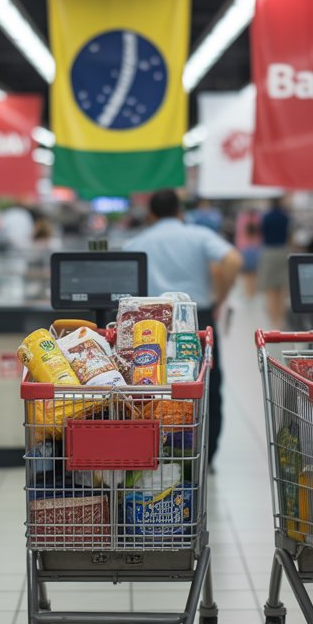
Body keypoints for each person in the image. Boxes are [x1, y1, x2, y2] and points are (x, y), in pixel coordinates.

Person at [124, 189, 242, 463]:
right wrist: (220, 297)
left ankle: (157, 453)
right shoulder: (199, 235)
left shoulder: (135, 243)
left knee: (151, 386)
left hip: (150, 321)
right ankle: (205, 455)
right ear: (180, 211)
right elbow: (233, 259)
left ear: (151, 214)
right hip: (196, 318)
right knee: (205, 382)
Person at [259, 197, 291, 329]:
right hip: (283, 251)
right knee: (282, 287)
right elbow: (289, 236)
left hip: (269, 251)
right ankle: (281, 319)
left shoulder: (265, 217)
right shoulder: (285, 217)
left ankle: (273, 321)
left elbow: (262, 234)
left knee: (271, 288)